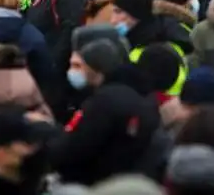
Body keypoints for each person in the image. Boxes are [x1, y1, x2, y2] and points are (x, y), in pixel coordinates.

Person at [54, 41, 162, 185]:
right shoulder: (140, 95)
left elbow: (78, 147)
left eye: (80, 66)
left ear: (94, 68)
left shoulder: (104, 101)